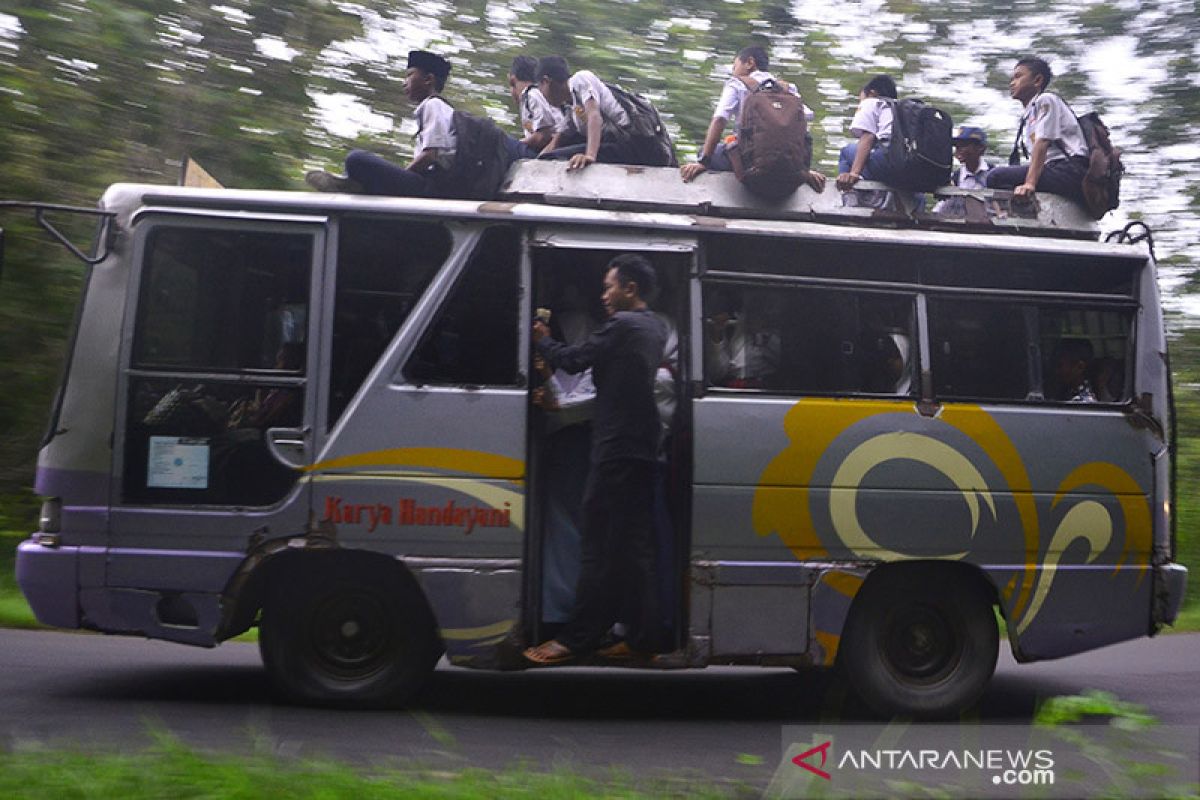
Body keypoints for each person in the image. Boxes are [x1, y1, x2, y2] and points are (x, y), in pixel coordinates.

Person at [524, 254, 668, 664]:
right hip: (642, 447)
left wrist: (542, 339)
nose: (604, 295)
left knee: (598, 545)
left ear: (630, 289)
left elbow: (573, 360)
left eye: (609, 287)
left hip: (616, 449)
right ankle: (643, 639)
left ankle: (576, 638)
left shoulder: (623, 325)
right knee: (634, 548)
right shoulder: (654, 326)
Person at [305, 50, 456, 197]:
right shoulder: (442, 109)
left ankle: (354, 185)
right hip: (433, 184)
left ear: (428, 79)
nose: (404, 83)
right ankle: (358, 186)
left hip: (432, 187)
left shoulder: (433, 105)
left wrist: (400, 177)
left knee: (356, 159)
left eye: (409, 75)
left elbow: (430, 155)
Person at [679, 45, 826, 192]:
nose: (733, 71)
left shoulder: (737, 83)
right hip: (790, 169)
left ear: (749, 62)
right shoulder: (788, 89)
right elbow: (805, 121)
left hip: (750, 167)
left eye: (735, 65)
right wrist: (804, 168)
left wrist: (704, 161)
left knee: (708, 152)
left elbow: (719, 120)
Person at [985, 57, 1089, 203]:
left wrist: (1029, 183)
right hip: (1053, 169)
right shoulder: (1028, 115)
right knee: (1003, 178)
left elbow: (1042, 142)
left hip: (1069, 171)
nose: (1012, 83)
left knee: (995, 177)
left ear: (1037, 80)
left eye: (1018, 76)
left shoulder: (1046, 100)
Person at [535, 56, 635, 171]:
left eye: (539, 87)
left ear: (546, 81)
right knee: (549, 156)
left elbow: (594, 116)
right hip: (609, 146)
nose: (541, 94)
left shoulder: (580, 79)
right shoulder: (571, 106)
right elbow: (557, 141)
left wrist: (589, 156)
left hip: (625, 143)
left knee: (554, 158)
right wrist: (535, 162)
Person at [704, 289, 781, 389]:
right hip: (727, 392)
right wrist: (717, 336)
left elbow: (788, 363)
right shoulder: (726, 330)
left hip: (763, 391)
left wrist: (760, 333)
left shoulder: (771, 335)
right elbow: (717, 373)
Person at [835, 75, 899, 193]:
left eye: (860, 98)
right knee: (865, 159)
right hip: (907, 166)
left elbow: (867, 137)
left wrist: (854, 173)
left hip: (886, 160)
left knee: (846, 152)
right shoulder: (899, 108)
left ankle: (845, 193)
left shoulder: (872, 102)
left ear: (871, 93)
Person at [508, 55, 563, 158]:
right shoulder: (541, 94)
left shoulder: (531, 95)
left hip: (549, 150)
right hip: (547, 148)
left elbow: (543, 136)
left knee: (504, 144)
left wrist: (518, 143)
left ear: (512, 80)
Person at [932, 126, 992, 215]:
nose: (957, 151)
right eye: (956, 146)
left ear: (980, 148)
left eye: (963, 145)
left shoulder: (993, 175)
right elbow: (943, 204)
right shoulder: (955, 177)